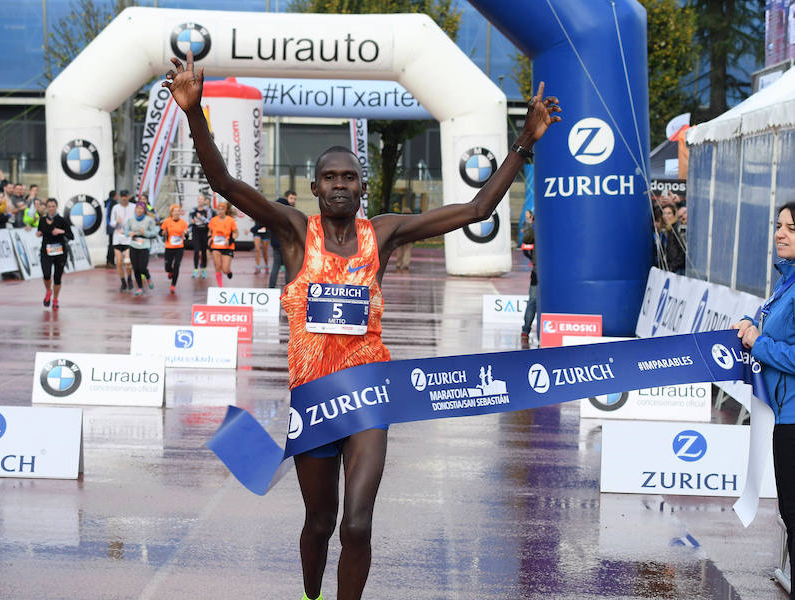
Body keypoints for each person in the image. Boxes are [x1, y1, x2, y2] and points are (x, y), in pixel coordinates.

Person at [164, 50, 561, 600]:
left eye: (349, 177)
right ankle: (311, 594)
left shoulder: (385, 232)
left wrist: (525, 145)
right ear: (315, 187)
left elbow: (475, 210)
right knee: (320, 523)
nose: (340, 185)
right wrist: (194, 112)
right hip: (314, 397)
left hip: (371, 389)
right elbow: (226, 183)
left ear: (361, 186)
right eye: (330, 178)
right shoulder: (295, 231)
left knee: (357, 523)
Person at [734, 200, 795, 600]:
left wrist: (760, 342)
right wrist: (753, 326)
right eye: (778, 225)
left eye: (791, 228)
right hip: (783, 413)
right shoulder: (784, 282)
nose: (780, 233)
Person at [37, 198, 74, 311]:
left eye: (53, 206)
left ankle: (55, 299)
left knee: (57, 277)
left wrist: (61, 231)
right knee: (46, 274)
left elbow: (71, 236)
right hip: (46, 252)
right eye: (49, 206)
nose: (51, 208)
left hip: (60, 252)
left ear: (56, 207)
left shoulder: (62, 220)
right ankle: (48, 291)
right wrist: (38, 233)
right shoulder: (42, 220)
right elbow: (40, 231)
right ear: (46, 208)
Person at [124, 202, 158, 296]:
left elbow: (154, 233)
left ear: (144, 210)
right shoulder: (131, 219)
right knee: (136, 268)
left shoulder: (149, 220)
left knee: (142, 267)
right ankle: (140, 288)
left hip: (144, 245)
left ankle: (148, 277)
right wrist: (129, 233)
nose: (139, 210)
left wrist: (145, 232)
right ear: (135, 209)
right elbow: (125, 230)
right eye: (137, 208)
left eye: (141, 208)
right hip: (133, 245)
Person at [269, 190, 297, 288]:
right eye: (291, 198)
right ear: (286, 197)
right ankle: (288, 287)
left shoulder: (275, 208)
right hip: (285, 242)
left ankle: (271, 288)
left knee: (276, 266)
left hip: (275, 241)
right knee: (287, 266)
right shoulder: (288, 209)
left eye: (294, 199)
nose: (293, 201)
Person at [208, 200, 237, 287]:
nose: (220, 211)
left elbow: (236, 233)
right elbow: (210, 232)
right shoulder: (213, 220)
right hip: (216, 246)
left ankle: (228, 272)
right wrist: (209, 238)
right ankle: (220, 287)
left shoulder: (230, 220)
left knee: (225, 269)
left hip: (227, 246)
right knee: (217, 266)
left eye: (222, 209)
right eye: (218, 209)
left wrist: (230, 240)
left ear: (225, 210)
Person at [111, 190, 136, 291]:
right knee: (119, 262)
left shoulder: (133, 207)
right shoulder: (115, 208)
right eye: (122, 196)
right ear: (120, 197)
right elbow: (111, 222)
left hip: (129, 238)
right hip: (117, 238)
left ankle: (130, 278)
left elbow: (136, 219)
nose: (124, 198)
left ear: (129, 197)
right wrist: (116, 222)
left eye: (126, 196)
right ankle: (123, 282)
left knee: (128, 261)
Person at [161, 204, 188, 293]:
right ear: (171, 212)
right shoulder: (167, 221)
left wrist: (186, 233)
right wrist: (163, 233)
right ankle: (170, 271)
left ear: (180, 213)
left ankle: (173, 285)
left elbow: (187, 236)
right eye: (175, 211)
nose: (176, 213)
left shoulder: (183, 223)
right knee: (167, 267)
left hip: (179, 248)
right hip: (169, 247)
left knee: (177, 265)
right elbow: (161, 232)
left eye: (178, 211)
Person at [520, 210, 538, 346]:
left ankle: (526, 331)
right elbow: (526, 239)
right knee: (532, 301)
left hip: (540, 271)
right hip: (537, 272)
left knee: (533, 301)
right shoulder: (535, 228)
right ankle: (525, 331)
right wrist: (530, 224)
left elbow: (526, 239)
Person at [189, 193, 213, 278]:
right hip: (196, 231)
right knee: (196, 251)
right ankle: (195, 270)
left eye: (201, 199)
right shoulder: (193, 210)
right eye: (199, 199)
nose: (200, 201)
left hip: (204, 232)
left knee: (203, 252)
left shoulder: (207, 210)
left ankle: (204, 270)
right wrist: (191, 224)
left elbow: (210, 221)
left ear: (204, 201)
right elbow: (190, 221)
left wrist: (201, 218)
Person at [662, 203, 686, 275]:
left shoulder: (677, 228)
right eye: (664, 213)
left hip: (678, 270)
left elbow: (683, 250)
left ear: (674, 214)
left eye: (669, 213)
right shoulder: (666, 231)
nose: (666, 216)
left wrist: (673, 266)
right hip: (670, 269)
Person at [394, 203, 413, 270]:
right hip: (409, 236)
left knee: (399, 250)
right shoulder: (412, 220)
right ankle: (406, 264)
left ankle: (399, 263)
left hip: (400, 236)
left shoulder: (399, 219)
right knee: (407, 250)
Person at [104, 190, 117, 266]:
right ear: (114, 196)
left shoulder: (108, 202)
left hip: (109, 226)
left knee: (111, 244)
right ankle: (110, 261)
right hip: (112, 226)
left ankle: (109, 261)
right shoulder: (113, 203)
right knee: (113, 244)